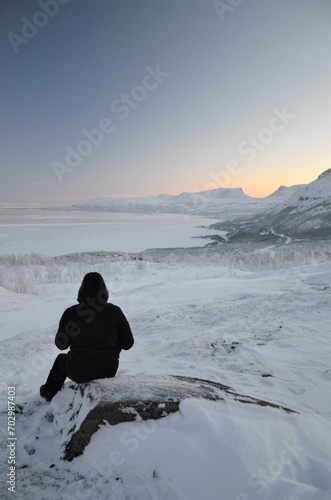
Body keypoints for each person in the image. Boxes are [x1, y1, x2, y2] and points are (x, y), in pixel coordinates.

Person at [40, 272, 134, 402]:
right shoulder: (115, 312)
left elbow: (61, 345)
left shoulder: (71, 313)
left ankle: (48, 393)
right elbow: (128, 344)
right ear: (104, 290)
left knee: (61, 360)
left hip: (79, 372)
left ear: (81, 290)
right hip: (108, 370)